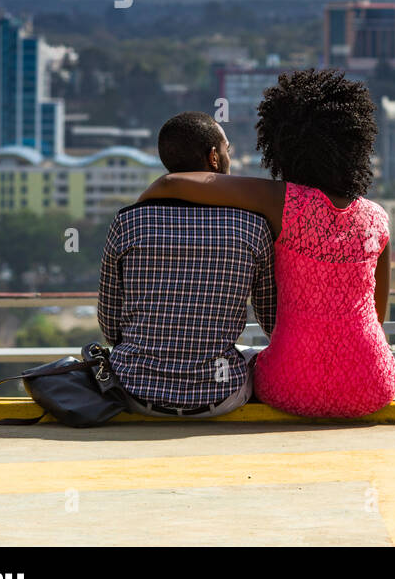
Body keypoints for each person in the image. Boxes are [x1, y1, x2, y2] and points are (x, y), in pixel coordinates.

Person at [137, 69, 395, 418]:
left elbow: (174, 184)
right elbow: (376, 319)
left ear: (282, 144)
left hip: (289, 387)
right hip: (371, 387)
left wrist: (140, 209)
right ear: (358, 145)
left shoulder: (281, 200)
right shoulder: (378, 219)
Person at [97, 112, 276, 418]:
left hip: (135, 392)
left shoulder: (127, 222)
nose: (229, 158)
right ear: (213, 158)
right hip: (219, 397)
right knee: (252, 357)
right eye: (227, 151)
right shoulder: (252, 226)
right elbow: (271, 321)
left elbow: (110, 326)